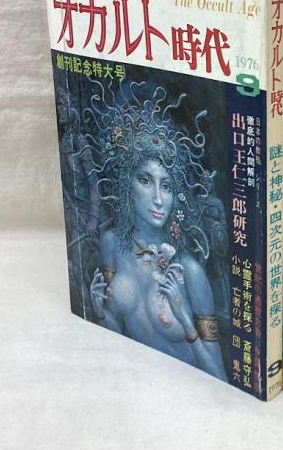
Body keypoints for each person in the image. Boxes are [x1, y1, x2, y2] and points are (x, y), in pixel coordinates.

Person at [85, 82, 227, 381]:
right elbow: (119, 333)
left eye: (167, 186)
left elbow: (219, 377)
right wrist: (102, 313)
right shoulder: (111, 244)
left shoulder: (188, 271)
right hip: (137, 382)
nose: (159, 199)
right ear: (127, 183)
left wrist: (186, 322)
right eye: (146, 181)